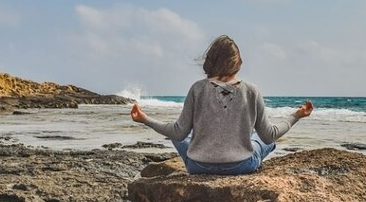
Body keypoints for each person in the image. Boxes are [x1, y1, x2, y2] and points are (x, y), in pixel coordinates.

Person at [130, 35, 313, 175]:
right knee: (261, 138)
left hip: (198, 166)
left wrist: (145, 119)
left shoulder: (197, 89)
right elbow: (269, 135)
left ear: (210, 60)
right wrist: (296, 115)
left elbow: (178, 133)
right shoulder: (251, 90)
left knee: (179, 133)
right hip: (241, 166)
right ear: (237, 62)